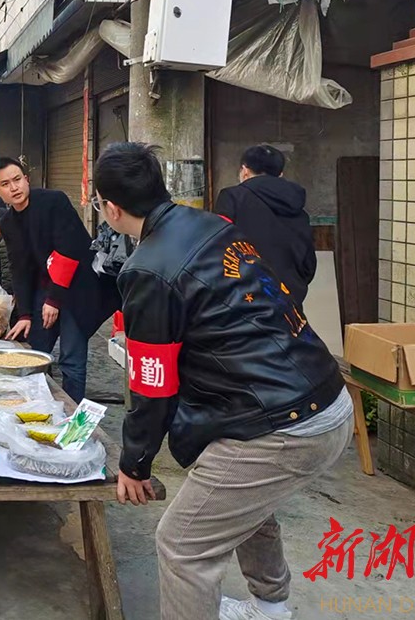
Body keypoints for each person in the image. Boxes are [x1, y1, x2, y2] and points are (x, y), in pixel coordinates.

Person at [93, 143, 353, 620]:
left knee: (182, 544)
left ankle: (268, 606)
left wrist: (135, 463)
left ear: (110, 207)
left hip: (282, 426)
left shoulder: (148, 269)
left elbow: (152, 384)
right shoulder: (212, 225)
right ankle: (271, 607)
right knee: (245, 505)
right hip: (327, 399)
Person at [0, 157, 119, 401]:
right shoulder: (8, 222)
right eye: (6, 184)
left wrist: (54, 300)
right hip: (47, 287)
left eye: (17, 180)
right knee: (35, 349)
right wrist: (26, 313)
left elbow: (69, 249)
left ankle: (71, 422)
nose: (14, 188)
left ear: (26, 180)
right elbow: (20, 267)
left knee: (71, 357)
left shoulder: (53, 201)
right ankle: (36, 406)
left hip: (78, 287)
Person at [215, 144, 317, 308]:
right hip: (289, 298)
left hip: (243, 298)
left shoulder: (232, 198)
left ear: (244, 171)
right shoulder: (297, 207)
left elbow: (218, 246)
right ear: (280, 174)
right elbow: (308, 261)